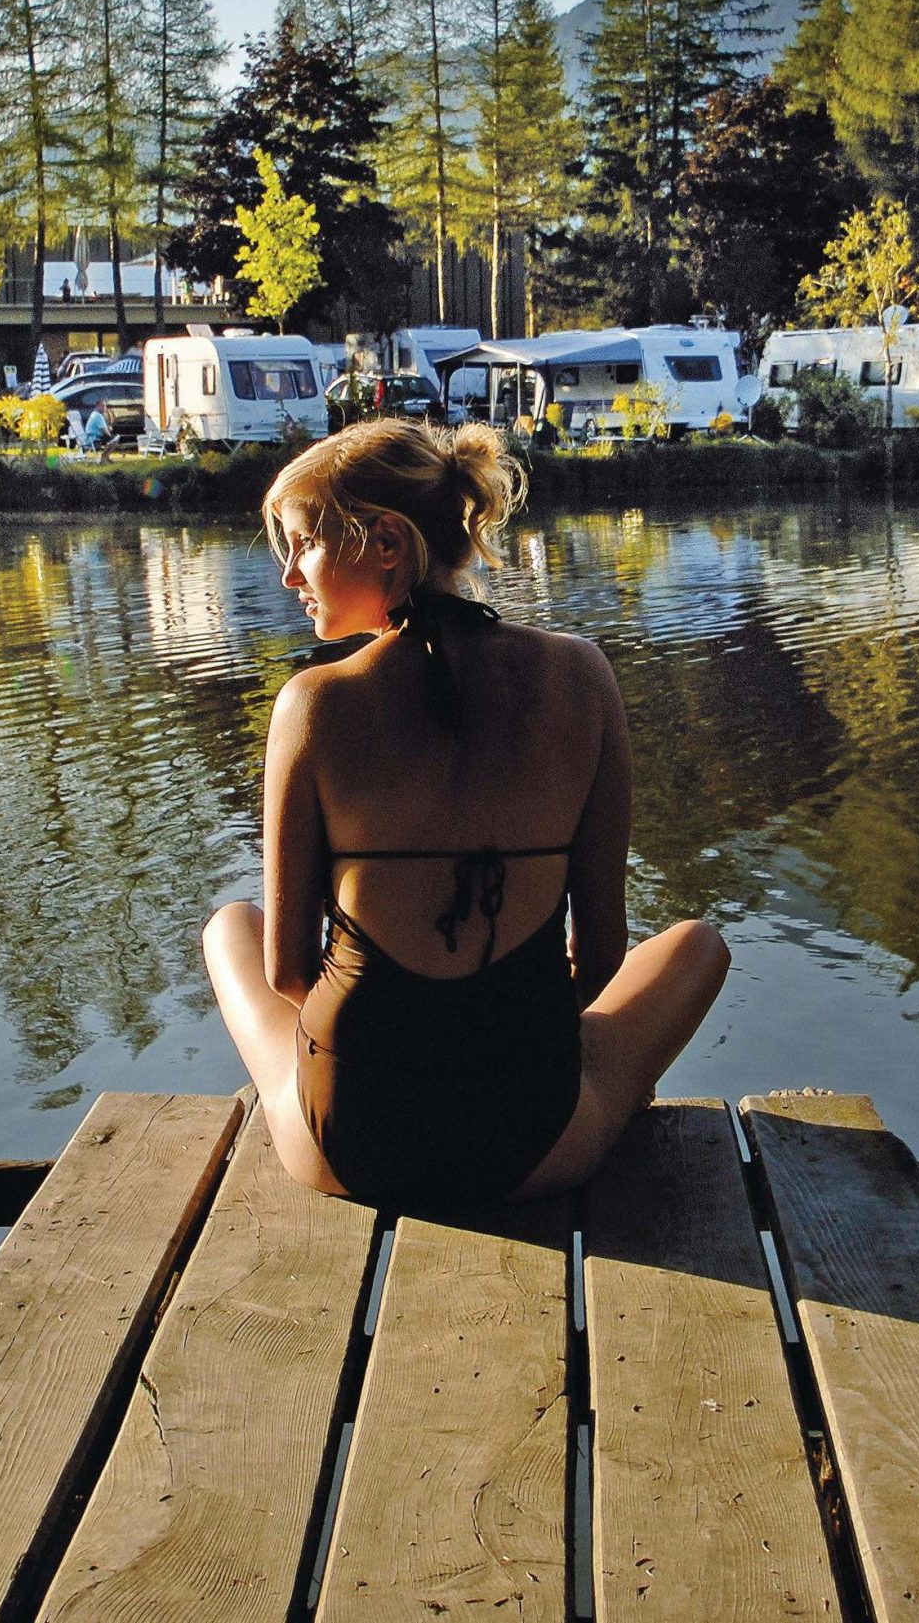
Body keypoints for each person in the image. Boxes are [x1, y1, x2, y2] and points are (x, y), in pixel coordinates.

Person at [202, 419, 730, 1210]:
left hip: (351, 1149)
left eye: (303, 542)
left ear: (386, 541)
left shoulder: (312, 704)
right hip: (536, 1145)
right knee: (700, 946)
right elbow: (604, 952)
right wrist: (489, 1035)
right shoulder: (583, 677)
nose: (288, 575)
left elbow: (286, 973)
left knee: (227, 928)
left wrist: (406, 1039)